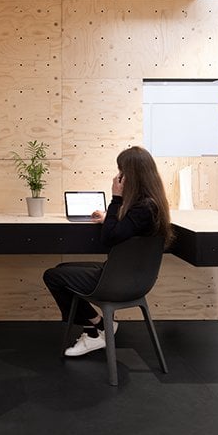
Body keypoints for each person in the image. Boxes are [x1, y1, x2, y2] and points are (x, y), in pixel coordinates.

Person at [43, 145, 173, 357]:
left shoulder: (143, 208)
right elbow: (127, 228)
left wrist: (115, 198)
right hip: (131, 275)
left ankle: (95, 329)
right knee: (62, 268)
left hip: (119, 280)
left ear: (132, 175)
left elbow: (108, 239)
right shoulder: (150, 204)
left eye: (122, 171)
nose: (119, 176)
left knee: (53, 276)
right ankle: (100, 326)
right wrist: (109, 218)